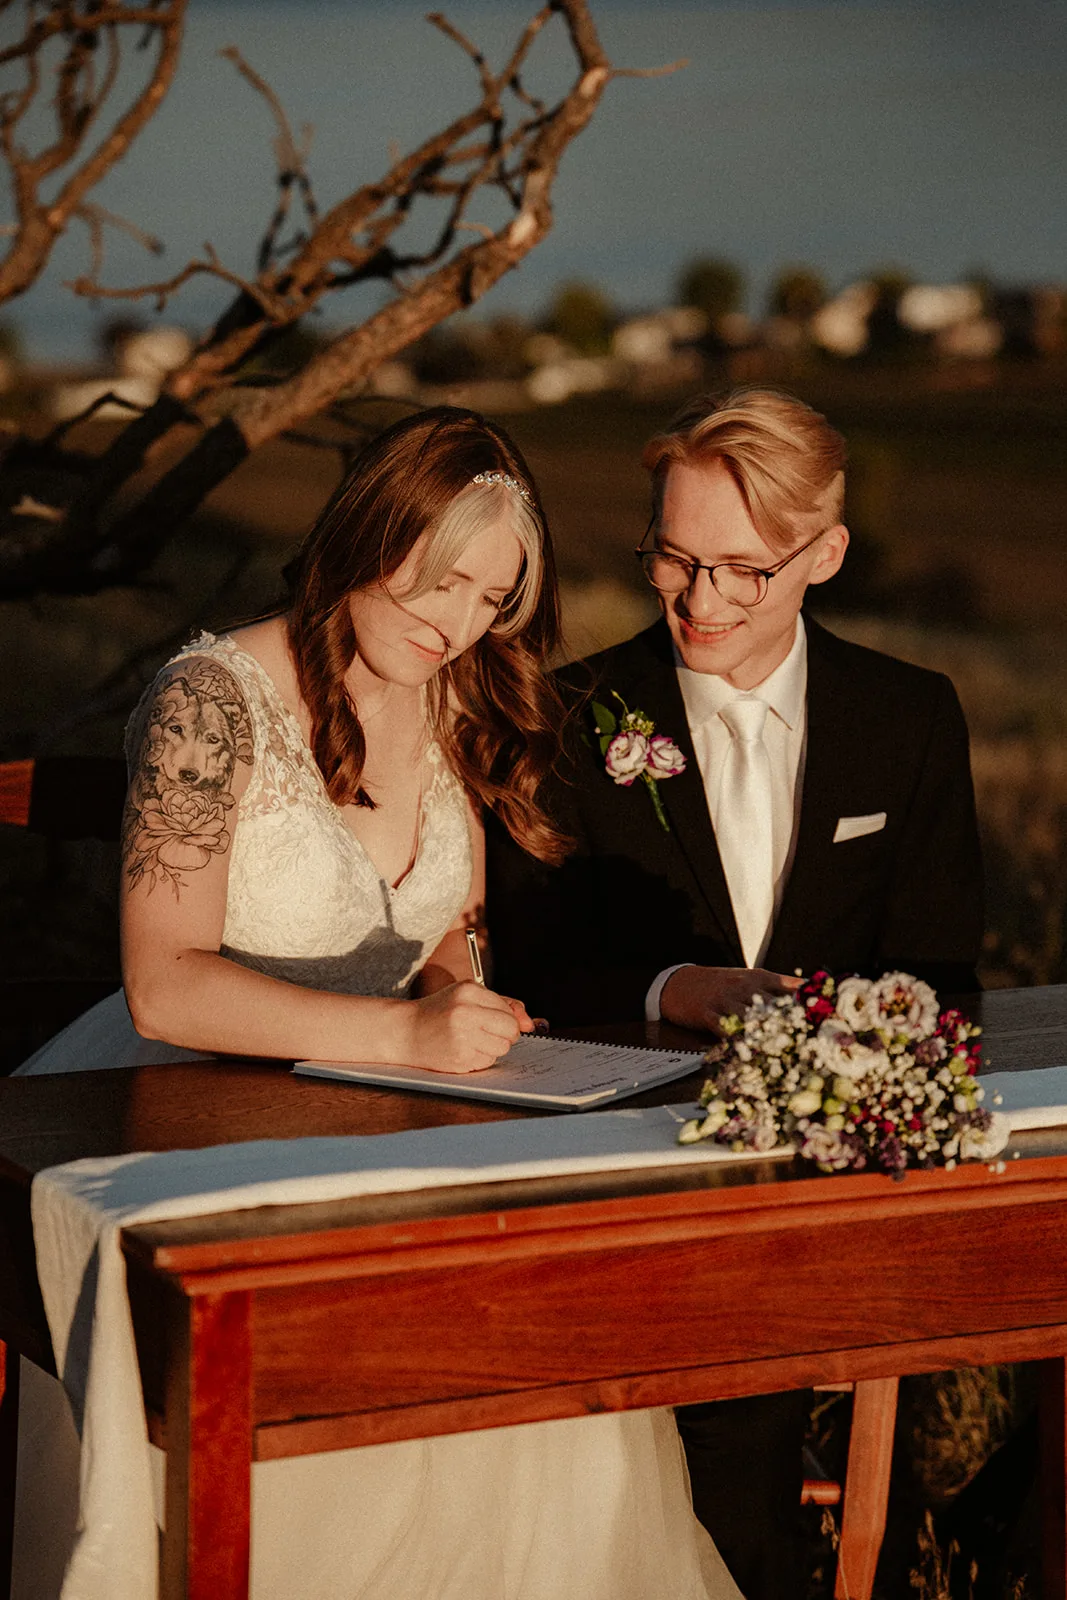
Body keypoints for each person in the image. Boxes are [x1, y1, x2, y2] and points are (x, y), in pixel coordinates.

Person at [14, 407, 743, 1600]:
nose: (457, 622)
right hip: (179, 1104)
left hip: (378, 1101)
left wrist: (461, 993)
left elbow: (447, 921)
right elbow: (162, 980)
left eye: (491, 599)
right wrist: (403, 1030)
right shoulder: (209, 700)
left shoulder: (450, 694)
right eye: (439, 578)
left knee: (528, 1315)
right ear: (369, 528)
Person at [485, 387, 984, 1600]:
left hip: (842, 1177)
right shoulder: (565, 718)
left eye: (741, 570)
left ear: (823, 555)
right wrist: (672, 987)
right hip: (631, 1186)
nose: (697, 601)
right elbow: (528, 970)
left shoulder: (908, 717)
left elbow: (940, 974)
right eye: (671, 556)